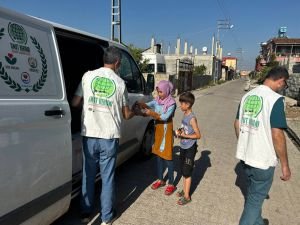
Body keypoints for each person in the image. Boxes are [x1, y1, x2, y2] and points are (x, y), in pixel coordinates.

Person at [72, 46, 134, 225]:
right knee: (107, 177)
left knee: (88, 174)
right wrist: (136, 110)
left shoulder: (87, 76)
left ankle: (85, 213)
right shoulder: (120, 83)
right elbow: (126, 114)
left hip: (89, 134)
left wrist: (91, 102)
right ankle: (107, 217)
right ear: (117, 62)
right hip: (109, 136)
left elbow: (75, 102)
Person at [234, 66, 291, 225]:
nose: (283, 88)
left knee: (253, 198)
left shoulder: (247, 96)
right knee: (253, 203)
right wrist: (285, 165)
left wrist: (245, 143)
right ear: (281, 81)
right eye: (284, 85)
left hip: (246, 158)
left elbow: (237, 123)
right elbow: (277, 134)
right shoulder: (275, 100)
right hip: (263, 161)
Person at [135, 80, 177, 195]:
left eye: (161, 92)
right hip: (158, 129)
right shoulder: (158, 100)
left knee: (168, 157)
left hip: (166, 130)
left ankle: (171, 184)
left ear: (167, 91)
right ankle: (161, 180)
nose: (159, 94)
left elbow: (164, 117)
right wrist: (141, 104)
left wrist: (151, 113)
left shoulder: (171, 103)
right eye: (158, 92)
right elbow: (150, 104)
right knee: (158, 155)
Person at [175, 91, 201, 205]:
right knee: (183, 169)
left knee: (187, 171)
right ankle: (184, 189)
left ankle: (187, 196)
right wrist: (179, 132)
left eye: (182, 103)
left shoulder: (192, 118)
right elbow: (184, 128)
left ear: (188, 105)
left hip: (190, 147)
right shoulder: (185, 114)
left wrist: (184, 135)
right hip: (183, 145)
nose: (180, 105)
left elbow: (198, 135)